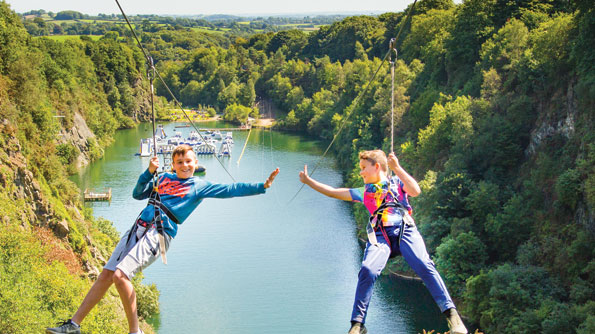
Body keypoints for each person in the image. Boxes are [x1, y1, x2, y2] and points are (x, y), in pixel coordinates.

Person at [47, 144, 279, 334]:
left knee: (120, 275)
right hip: (138, 228)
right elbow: (137, 194)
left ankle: (135, 332)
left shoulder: (199, 186)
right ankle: (74, 325)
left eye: (188, 161)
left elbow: (231, 189)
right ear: (173, 164)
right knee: (107, 275)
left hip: (159, 233)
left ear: (195, 162)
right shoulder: (164, 178)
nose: (185, 166)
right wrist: (149, 172)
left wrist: (262, 186)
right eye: (180, 162)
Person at [299, 150, 467, 334]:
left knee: (423, 264)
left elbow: (415, 190)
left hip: (405, 230)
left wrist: (397, 168)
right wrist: (309, 182)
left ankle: (453, 318)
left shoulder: (396, 182)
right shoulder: (364, 192)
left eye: (364, 168)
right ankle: (357, 324)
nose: (361, 172)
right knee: (368, 270)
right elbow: (333, 192)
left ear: (377, 166)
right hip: (380, 236)